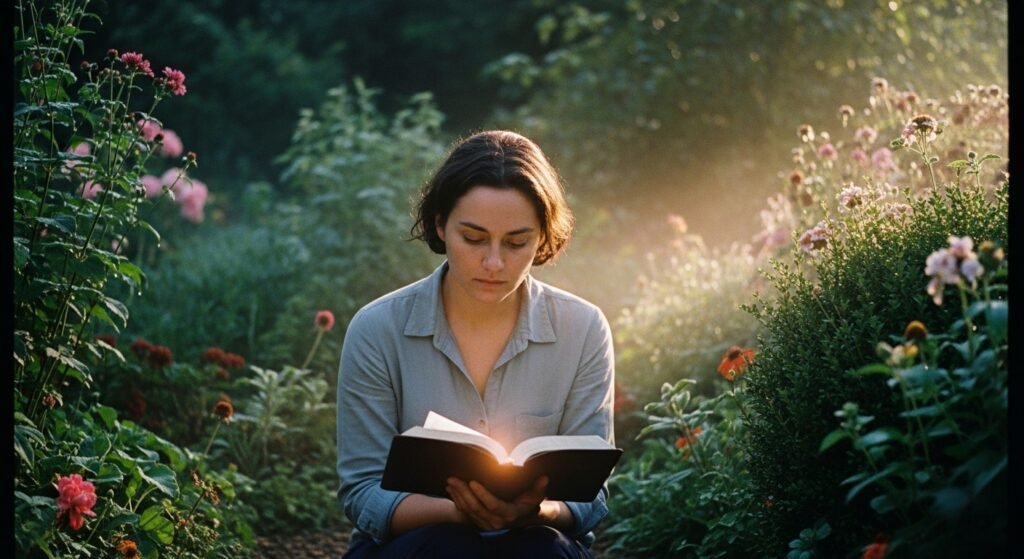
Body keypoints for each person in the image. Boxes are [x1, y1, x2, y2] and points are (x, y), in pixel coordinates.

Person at [336, 130, 615, 558]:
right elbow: (362, 493)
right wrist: (459, 514)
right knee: (448, 547)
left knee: (542, 550)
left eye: (517, 242)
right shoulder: (378, 329)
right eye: (474, 237)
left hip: (536, 543)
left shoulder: (583, 329)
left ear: (542, 238)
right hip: (415, 547)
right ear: (439, 224)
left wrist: (536, 511)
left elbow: (589, 499)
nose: (494, 262)